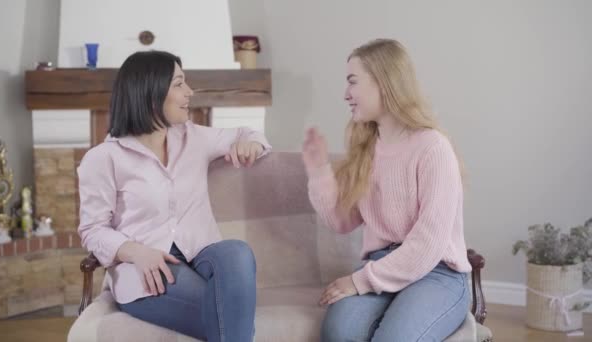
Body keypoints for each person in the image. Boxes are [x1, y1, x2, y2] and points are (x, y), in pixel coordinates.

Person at [77, 50, 270, 342]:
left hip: (202, 253)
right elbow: (92, 230)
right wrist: (136, 252)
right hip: (147, 269)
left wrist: (252, 143)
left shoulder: (195, 138)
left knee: (237, 252)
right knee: (227, 311)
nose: (189, 92)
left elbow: (250, 132)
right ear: (151, 91)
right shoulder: (103, 158)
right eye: (179, 84)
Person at [302, 39, 471, 341]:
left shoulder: (433, 148)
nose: (345, 94)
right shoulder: (366, 148)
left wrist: (359, 281)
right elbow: (342, 221)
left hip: (438, 272)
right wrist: (318, 170)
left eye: (352, 82)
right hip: (382, 262)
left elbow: (428, 244)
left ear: (383, 82)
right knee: (339, 331)